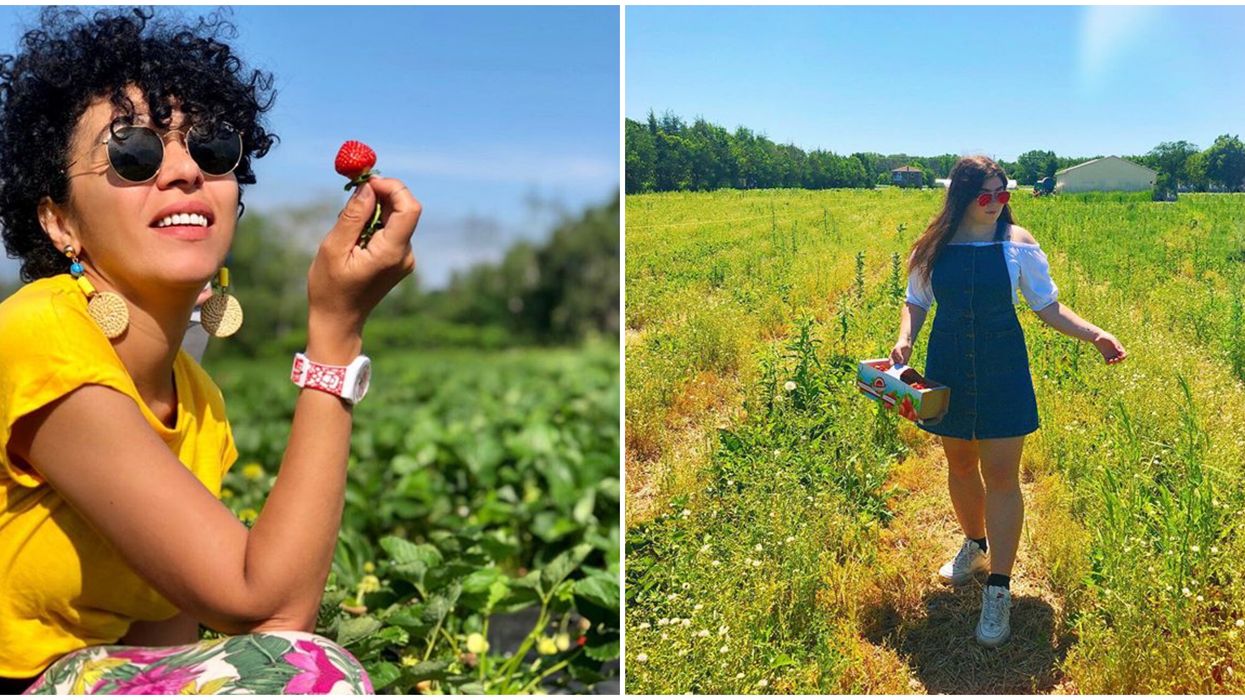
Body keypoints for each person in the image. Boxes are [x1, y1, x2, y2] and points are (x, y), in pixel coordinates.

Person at [0, 8, 418, 693]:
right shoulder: (39, 332)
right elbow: (271, 612)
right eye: (134, 152)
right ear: (58, 220)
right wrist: (335, 338)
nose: (183, 172)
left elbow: (169, 647)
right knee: (312, 673)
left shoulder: (199, 402)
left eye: (212, 149)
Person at [891, 155, 1125, 648]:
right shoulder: (932, 247)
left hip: (1002, 368)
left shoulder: (1019, 246)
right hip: (949, 364)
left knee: (1001, 475)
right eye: (986, 195)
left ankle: (998, 587)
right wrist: (905, 341)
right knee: (958, 464)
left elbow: (1048, 306)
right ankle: (974, 546)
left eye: (1003, 194)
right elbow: (916, 301)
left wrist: (1096, 334)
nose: (997, 203)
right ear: (962, 196)